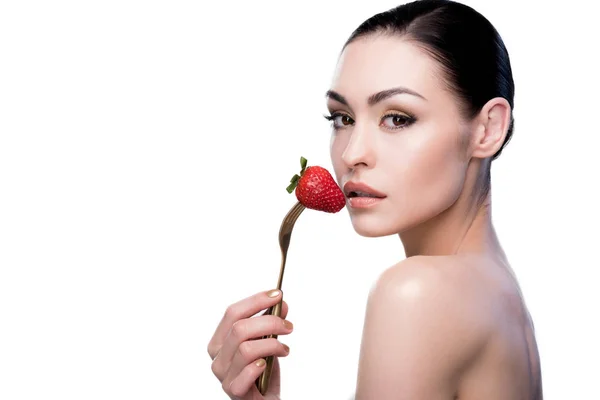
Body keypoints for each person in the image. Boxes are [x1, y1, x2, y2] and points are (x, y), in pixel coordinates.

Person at [207, 0, 543, 398]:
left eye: (397, 118)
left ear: (487, 129)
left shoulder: (416, 292)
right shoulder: (498, 293)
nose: (351, 155)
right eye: (343, 119)